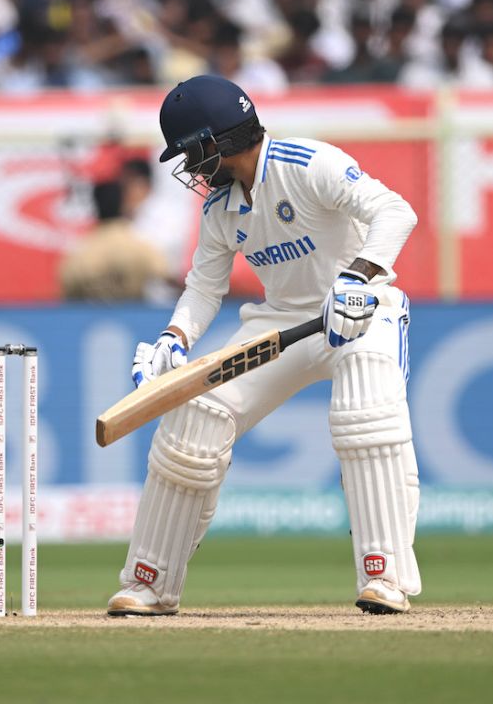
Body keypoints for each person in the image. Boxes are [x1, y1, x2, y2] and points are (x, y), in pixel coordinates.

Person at [107, 75, 420, 617]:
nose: (187, 166)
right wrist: (172, 338)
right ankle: (150, 582)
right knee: (196, 417)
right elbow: (204, 287)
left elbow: (396, 212)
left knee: (365, 414)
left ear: (216, 141)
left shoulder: (308, 163)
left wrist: (358, 279)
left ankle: (384, 576)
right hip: (281, 321)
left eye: (189, 152)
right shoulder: (220, 208)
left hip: (361, 310)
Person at [58, 157, 172, 302]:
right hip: (137, 317)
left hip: (91, 318)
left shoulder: (78, 253)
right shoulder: (140, 245)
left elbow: (68, 294)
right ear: (121, 202)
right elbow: (166, 275)